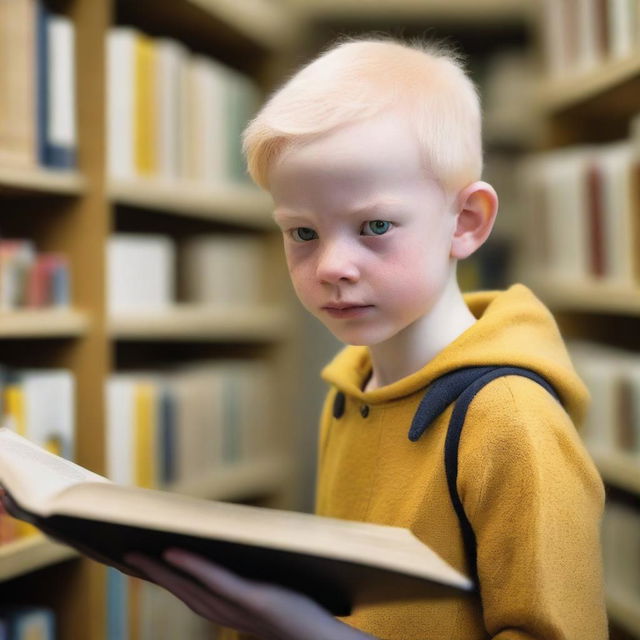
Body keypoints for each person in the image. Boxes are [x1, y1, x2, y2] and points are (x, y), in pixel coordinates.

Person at [10, 35, 610, 639]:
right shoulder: (352, 390)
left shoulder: (511, 420)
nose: (330, 267)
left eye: (374, 226)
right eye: (301, 233)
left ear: (466, 222)